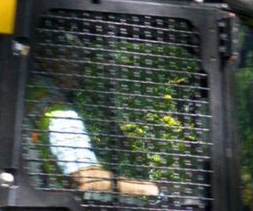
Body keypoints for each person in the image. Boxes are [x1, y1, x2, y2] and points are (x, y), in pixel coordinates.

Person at [30, 57, 159, 197]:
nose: (81, 71)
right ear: (53, 61)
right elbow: (87, 178)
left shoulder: (27, 92)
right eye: (77, 63)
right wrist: (149, 189)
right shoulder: (61, 115)